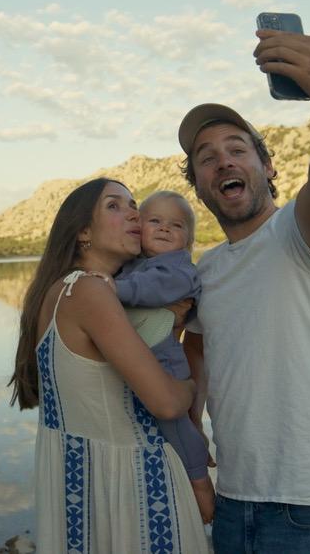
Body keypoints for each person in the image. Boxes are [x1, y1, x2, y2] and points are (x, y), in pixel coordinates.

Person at [179, 28, 310, 553]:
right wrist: (191, 427)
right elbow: (199, 346)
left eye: (236, 149)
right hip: (236, 503)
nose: (223, 161)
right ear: (199, 185)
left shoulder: (299, 230)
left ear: (267, 167)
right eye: (206, 157)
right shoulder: (206, 270)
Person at [9, 177, 210, 553]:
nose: (133, 214)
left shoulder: (62, 289)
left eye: (134, 205)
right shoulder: (90, 290)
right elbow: (166, 402)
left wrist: (169, 322)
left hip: (82, 484)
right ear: (83, 231)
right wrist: (188, 389)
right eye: (114, 206)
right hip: (136, 489)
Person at [112, 190, 215, 523]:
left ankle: (200, 482)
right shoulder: (132, 263)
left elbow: (150, 289)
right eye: (154, 221)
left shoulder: (179, 268)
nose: (165, 228)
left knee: (175, 424)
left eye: (177, 225)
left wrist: (109, 289)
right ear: (139, 228)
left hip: (167, 364)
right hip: (140, 362)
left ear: (188, 240)